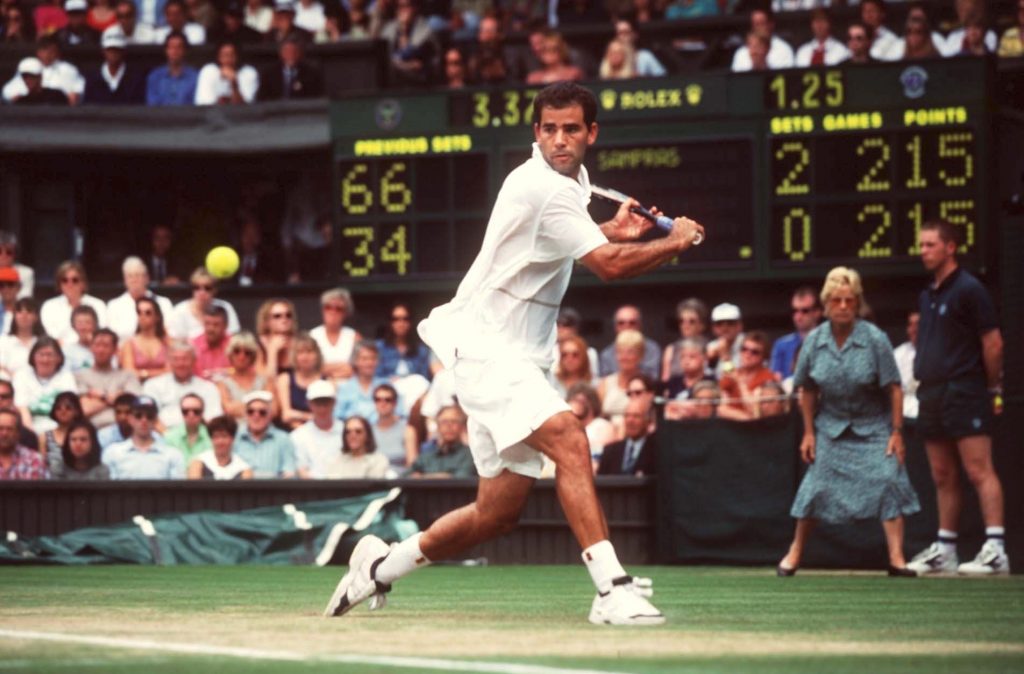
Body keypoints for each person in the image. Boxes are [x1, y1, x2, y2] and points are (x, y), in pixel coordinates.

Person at [325, 82, 703, 625]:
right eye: (549, 129)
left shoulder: (572, 185)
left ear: (591, 133)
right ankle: (611, 589)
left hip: (516, 358)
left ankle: (379, 567)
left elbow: (548, 250)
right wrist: (674, 241)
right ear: (536, 133)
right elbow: (610, 267)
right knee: (570, 438)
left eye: (571, 128)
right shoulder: (543, 186)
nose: (560, 139)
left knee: (494, 515)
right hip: (487, 351)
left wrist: (605, 231)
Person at [777, 267, 919, 578]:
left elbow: (894, 387)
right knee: (814, 487)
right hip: (830, 426)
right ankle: (795, 553)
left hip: (874, 425)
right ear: (826, 304)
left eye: (849, 300)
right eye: (837, 300)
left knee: (889, 478)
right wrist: (809, 434)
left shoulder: (875, 338)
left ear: (857, 304)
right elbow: (808, 388)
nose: (843, 306)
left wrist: (896, 432)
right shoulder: (814, 341)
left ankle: (897, 558)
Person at [906, 221, 1008, 576]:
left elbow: (993, 343)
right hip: (932, 392)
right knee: (941, 473)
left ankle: (996, 550)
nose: (923, 250)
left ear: (950, 247)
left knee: (979, 470)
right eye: (921, 244)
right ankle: (946, 550)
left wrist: (990, 387)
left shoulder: (970, 289)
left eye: (930, 244)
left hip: (965, 389)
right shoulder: (927, 294)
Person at [142, 340, 223, 428]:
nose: (180, 364)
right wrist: (169, 437)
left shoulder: (208, 388)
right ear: (169, 361)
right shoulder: (153, 385)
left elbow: (213, 418)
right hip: (163, 436)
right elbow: (150, 416)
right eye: (176, 359)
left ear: (194, 361)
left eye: (185, 359)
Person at [105, 395, 185, 479]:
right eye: (138, 416)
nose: (144, 420)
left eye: (149, 416)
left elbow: (177, 490)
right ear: (130, 419)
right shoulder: (113, 453)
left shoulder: (172, 455)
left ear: (155, 420)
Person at [75, 328, 141, 429]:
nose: (101, 350)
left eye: (106, 346)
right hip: (92, 431)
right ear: (91, 348)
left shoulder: (128, 376)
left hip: (124, 430)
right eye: (97, 345)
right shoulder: (80, 376)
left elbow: (132, 407)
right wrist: (117, 397)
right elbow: (84, 410)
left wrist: (101, 396)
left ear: (115, 350)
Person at [14, 337, 77, 434]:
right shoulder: (22, 375)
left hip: (59, 429)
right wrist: (32, 434)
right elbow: (22, 407)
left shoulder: (66, 376)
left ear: (58, 358)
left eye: (50, 355)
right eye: (41, 354)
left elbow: (69, 408)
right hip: (29, 428)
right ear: (33, 356)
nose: (45, 359)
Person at [106, 257, 175, 340]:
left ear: (147, 278)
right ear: (124, 280)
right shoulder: (114, 306)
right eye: (130, 276)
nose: (134, 280)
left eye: (138, 275)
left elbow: (170, 334)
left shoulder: (163, 303)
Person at [233, 390, 296, 477]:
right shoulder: (235, 438)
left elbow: (289, 472)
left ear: (270, 414)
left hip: (274, 489)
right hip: (240, 489)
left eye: (262, 412)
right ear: (245, 414)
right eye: (251, 411)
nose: (256, 416)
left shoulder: (283, 439)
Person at [40, 261, 107, 342]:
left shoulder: (98, 305)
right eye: (65, 280)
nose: (70, 284)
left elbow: (101, 333)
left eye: (75, 280)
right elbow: (54, 339)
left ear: (83, 283)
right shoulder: (49, 307)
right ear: (59, 284)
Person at [167, 268, 241, 340]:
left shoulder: (225, 308)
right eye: (196, 287)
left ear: (215, 290)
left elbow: (234, 338)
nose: (202, 292)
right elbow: (175, 343)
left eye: (207, 288)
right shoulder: (179, 311)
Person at [404, 404, 475, 478]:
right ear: (438, 426)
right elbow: (405, 476)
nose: (449, 426)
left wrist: (422, 477)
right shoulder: (427, 455)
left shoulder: (469, 455)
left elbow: (460, 479)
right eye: (444, 422)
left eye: (454, 421)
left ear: (462, 426)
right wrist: (445, 476)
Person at [217, 331, 274, 420]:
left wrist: (238, 406)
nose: (241, 356)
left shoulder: (265, 381)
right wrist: (260, 406)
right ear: (230, 354)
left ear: (253, 356)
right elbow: (228, 409)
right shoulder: (223, 384)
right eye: (237, 351)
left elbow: (274, 410)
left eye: (247, 352)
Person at [292, 379, 341, 478]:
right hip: (311, 489)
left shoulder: (347, 432)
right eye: (318, 403)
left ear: (334, 403)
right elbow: (301, 470)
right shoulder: (298, 436)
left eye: (326, 402)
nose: (322, 408)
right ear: (309, 404)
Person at [770, 286, 822, 380]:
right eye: (795, 311)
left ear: (817, 312)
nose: (798, 316)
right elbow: (775, 379)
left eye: (804, 311)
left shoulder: (828, 342)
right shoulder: (781, 344)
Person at [597, 329, 645, 431]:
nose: (624, 357)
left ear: (640, 356)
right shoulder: (605, 383)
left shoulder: (646, 384)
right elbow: (598, 416)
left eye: (630, 352)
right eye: (620, 352)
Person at [82, 29, 147, 104]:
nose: (113, 53)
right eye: (110, 49)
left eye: (117, 49)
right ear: (103, 51)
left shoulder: (136, 78)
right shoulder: (92, 77)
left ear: (123, 51)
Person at [310, 287, 361, 382]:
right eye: (328, 307)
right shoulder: (313, 336)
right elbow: (311, 368)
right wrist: (342, 367)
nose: (332, 312)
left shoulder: (354, 336)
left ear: (346, 313)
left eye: (338, 309)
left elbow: (356, 369)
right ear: (322, 310)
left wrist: (326, 369)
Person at [596, 398, 657, 476]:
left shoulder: (656, 452)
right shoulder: (610, 451)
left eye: (636, 416)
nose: (630, 420)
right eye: (627, 415)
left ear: (647, 421)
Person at [333, 340, 390, 422]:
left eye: (373, 358)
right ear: (355, 361)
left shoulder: (386, 385)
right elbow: (337, 416)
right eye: (364, 359)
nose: (369, 363)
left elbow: (399, 414)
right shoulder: (345, 388)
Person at [598, 305, 661, 378]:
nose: (626, 326)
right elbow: (606, 382)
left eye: (632, 322)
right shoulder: (606, 354)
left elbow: (651, 378)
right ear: (615, 327)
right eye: (621, 323)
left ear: (639, 325)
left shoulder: (652, 349)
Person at [275, 332, 322, 430]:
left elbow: (326, 417)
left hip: (320, 432)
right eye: (300, 352)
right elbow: (286, 415)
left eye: (309, 352)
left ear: (317, 355)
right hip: (290, 433)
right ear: (294, 356)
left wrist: (297, 415)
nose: (305, 357)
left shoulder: (326, 382)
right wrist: (311, 417)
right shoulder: (284, 379)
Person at [565, 383, 614, 473]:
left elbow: (602, 455)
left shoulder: (603, 425)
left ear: (592, 403)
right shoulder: (566, 428)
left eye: (581, 401)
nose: (577, 405)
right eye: (574, 401)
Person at [257, 32, 322, 99]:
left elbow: (316, 99)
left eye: (295, 51)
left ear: (301, 53)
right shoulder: (269, 74)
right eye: (287, 51)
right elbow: (261, 99)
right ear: (281, 53)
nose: (291, 55)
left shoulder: (311, 74)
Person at [187, 414, 252, 479]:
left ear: (232, 438)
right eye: (216, 437)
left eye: (224, 436)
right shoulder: (198, 464)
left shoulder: (243, 469)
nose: (220, 441)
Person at [324, 415, 390, 478]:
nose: (352, 436)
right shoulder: (336, 461)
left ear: (367, 435)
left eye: (358, 431)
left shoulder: (379, 461)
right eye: (348, 432)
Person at [195, 40, 259, 104]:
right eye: (224, 55)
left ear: (238, 56)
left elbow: (244, 107)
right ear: (218, 57)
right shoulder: (209, 71)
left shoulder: (249, 72)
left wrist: (234, 83)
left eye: (232, 55)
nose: (228, 59)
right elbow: (204, 104)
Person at [371, 382, 417, 470]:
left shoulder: (407, 430)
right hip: (373, 479)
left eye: (387, 400)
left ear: (395, 403)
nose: (382, 403)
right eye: (378, 399)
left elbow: (411, 465)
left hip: (399, 480)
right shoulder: (367, 431)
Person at [731, 8, 793, 72]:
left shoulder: (784, 49)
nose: (759, 28)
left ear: (771, 24)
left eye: (762, 23)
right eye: (756, 24)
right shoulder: (741, 53)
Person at [146, 31, 199, 105]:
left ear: (185, 51)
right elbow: (152, 105)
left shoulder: (195, 77)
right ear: (166, 50)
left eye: (179, 47)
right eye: (171, 47)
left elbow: (195, 105)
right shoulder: (155, 76)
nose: (175, 51)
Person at [661, 298, 708, 381]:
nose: (686, 325)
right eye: (682, 321)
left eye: (691, 321)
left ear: (702, 324)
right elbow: (666, 379)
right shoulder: (671, 349)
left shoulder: (710, 347)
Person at [0, 298, 44, 378]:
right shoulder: (3, 341)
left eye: (29, 311)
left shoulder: (43, 343)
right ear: (14, 316)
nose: (24, 315)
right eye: (19, 311)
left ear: (36, 317)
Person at [0, 408, 48, 480]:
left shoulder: (33, 460)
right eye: (0, 428)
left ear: (18, 433)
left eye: (9, 429)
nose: (4, 433)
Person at [164, 392, 211, 463]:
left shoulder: (211, 436)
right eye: (185, 411)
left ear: (202, 412)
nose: (191, 415)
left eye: (196, 411)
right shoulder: (170, 437)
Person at [39, 390, 83, 464]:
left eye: (68, 408)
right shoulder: (44, 437)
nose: (63, 411)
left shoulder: (83, 436)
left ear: (76, 411)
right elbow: (41, 466)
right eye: (58, 408)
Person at [257, 298, 298, 377]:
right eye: (277, 316)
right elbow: (265, 382)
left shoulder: (300, 342)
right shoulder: (259, 346)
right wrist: (272, 352)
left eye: (288, 315)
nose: (284, 319)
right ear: (266, 321)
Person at [892, 311, 920, 421]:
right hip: (904, 413)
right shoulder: (898, 354)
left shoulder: (939, 352)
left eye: (918, 324)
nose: (914, 330)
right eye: (910, 325)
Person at [191, 304, 231, 380]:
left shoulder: (235, 346)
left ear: (225, 325)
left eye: (216, 325)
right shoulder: (193, 346)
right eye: (207, 323)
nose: (211, 329)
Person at [706, 303, 743, 379]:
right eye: (719, 324)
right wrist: (711, 362)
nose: (724, 328)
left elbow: (732, 378)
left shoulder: (748, 345)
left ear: (739, 326)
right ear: (713, 328)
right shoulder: (711, 346)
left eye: (730, 323)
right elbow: (706, 378)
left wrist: (726, 357)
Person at [552, 334, 594, 399]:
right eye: (564, 355)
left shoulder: (593, 384)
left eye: (575, 355)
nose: (569, 359)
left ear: (583, 357)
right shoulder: (552, 382)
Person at [0, 231, 35, 300]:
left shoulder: (26, 273)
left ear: (15, 255)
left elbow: (24, 299)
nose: (4, 255)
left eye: (9, 252)